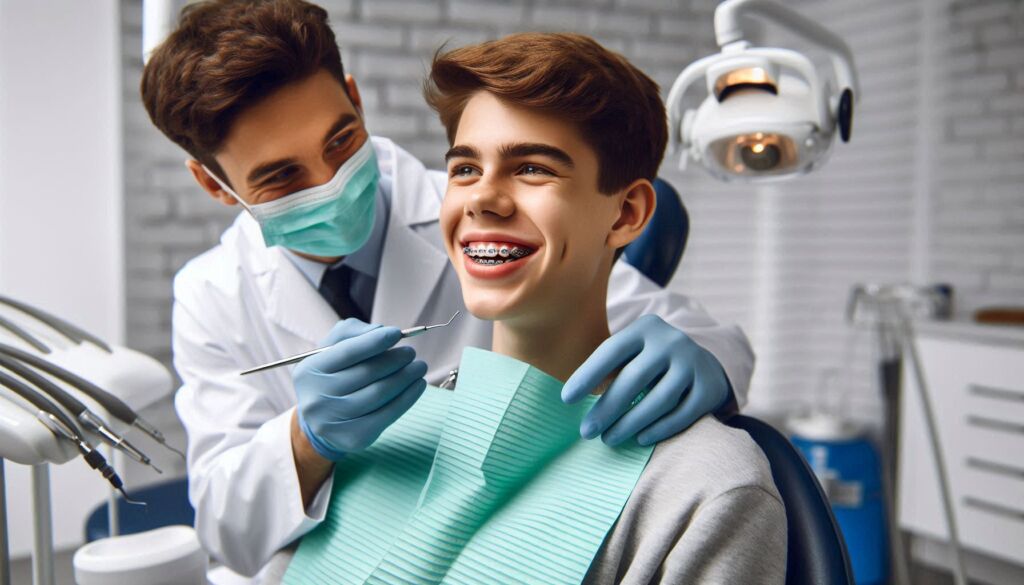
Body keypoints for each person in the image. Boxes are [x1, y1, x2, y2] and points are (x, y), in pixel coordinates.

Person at [140, 0, 756, 581]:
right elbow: (227, 528)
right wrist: (306, 441)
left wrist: (705, 359)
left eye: (341, 141)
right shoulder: (211, 293)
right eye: (282, 177)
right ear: (215, 184)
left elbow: (660, 323)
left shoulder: (483, 221)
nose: (330, 183)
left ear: (355, 98)